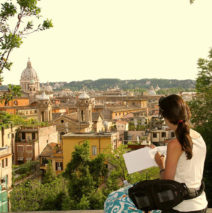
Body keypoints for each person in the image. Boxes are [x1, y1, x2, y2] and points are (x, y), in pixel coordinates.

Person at [155, 94, 208, 212]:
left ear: (167, 118)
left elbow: (167, 183)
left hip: (181, 207)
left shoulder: (175, 144)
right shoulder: (199, 137)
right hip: (200, 203)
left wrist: (161, 164)